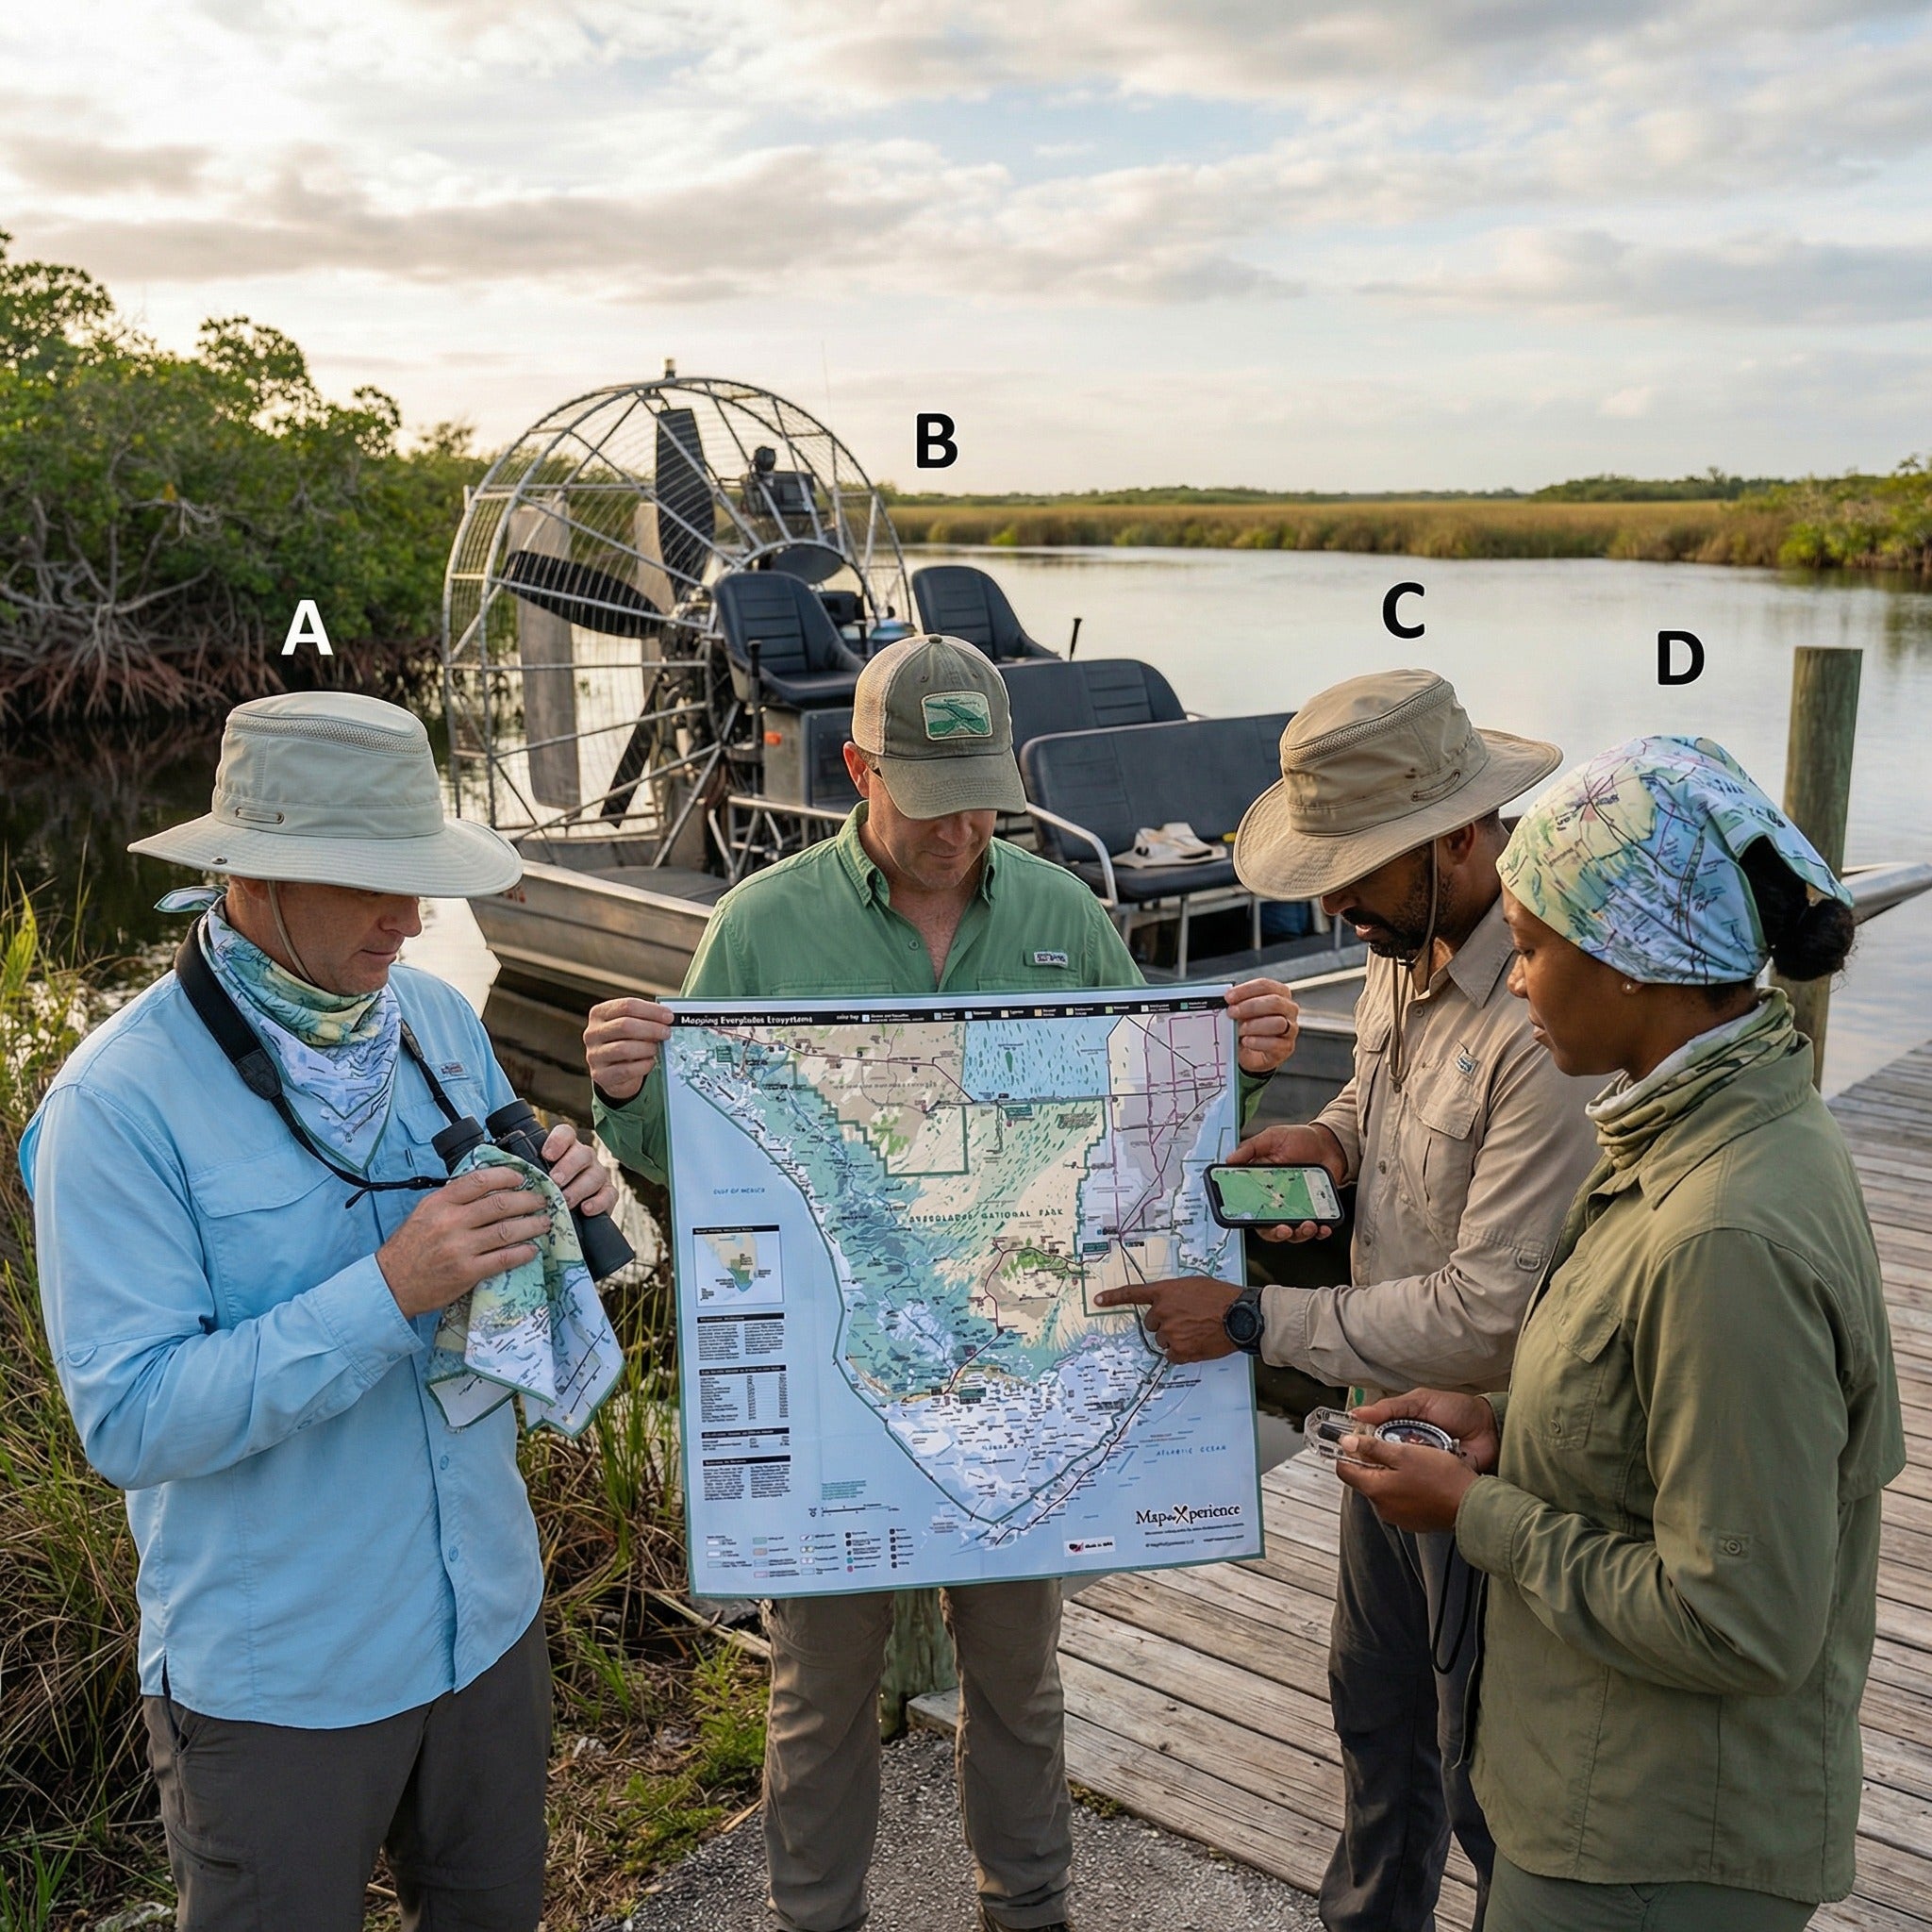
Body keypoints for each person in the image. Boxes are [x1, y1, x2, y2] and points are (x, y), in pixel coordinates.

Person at [586, 633, 1300, 1932]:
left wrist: (1234, 1067)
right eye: (930, 796)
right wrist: (628, 1092)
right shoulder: (757, 928)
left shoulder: (1066, 917)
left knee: (1021, 1684)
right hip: (837, 1392)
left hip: (1023, 1387)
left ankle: (1027, 1909)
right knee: (816, 1691)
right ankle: (814, 1917)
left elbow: (1150, 1118)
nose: (962, 828)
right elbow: (678, 1161)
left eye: (982, 795)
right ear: (858, 766)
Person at [24, 692, 622, 1932]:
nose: (412, 919)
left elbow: (503, 1275)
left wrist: (567, 1200)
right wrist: (391, 1291)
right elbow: (129, 1422)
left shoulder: (442, 1022)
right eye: (371, 883)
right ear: (253, 871)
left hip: (488, 1632)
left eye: (420, 878)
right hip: (280, 1686)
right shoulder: (117, 1105)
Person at [1335, 734, 1905, 1932]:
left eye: (1534, 952)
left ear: (1635, 965)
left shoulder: (1723, 1232)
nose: (1518, 981)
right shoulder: (1711, 1131)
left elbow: (1736, 1617)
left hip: (1645, 1844)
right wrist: (1496, 1425)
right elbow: (1651, 1415)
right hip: (1601, 1792)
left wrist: (1475, 1513)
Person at [1095, 668, 1603, 1932]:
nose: (1332, 902)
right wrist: (1326, 1141)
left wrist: (1258, 1320)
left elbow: (1492, 1312)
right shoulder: (1406, 939)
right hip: (1381, 1418)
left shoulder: (1551, 1023)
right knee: (1375, 1716)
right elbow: (1376, 1104)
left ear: (1460, 835)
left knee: (1491, 1769)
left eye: (1357, 871)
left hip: (1495, 1450)